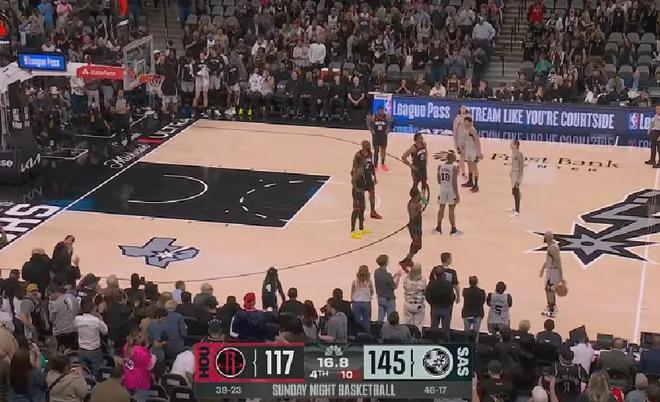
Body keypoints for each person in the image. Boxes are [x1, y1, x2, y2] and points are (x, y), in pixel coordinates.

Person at [74, 299, 107, 377]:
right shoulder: (96, 320)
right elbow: (105, 331)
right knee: (96, 372)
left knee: (84, 372)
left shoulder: (77, 319)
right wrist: (101, 319)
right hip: (94, 351)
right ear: (93, 309)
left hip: (82, 350)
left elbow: (75, 329)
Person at [433, 151, 462, 236]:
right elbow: (454, 182)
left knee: (441, 208)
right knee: (451, 209)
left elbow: (439, 180)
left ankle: (438, 227)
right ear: (452, 159)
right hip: (451, 190)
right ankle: (453, 229)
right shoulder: (454, 167)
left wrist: (444, 185)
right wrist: (457, 194)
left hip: (442, 189)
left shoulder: (440, 166)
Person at [352, 140, 382, 221]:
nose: (369, 145)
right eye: (368, 144)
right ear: (363, 146)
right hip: (361, 175)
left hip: (368, 175)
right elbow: (354, 165)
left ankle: (373, 212)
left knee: (372, 192)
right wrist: (355, 175)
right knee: (360, 194)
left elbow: (371, 165)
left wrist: (374, 176)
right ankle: (358, 212)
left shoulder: (370, 153)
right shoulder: (358, 155)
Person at [425, 265, 455, 341]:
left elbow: (427, 296)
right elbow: (452, 297)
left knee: (434, 329)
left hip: (435, 308)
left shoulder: (431, 284)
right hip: (445, 309)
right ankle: (446, 345)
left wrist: (432, 304)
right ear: (444, 274)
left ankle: (433, 344)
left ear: (435, 275)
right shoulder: (448, 284)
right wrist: (449, 304)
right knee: (446, 330)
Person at [48, 284, 80, 352]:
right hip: (74, 329)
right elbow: (78, 310)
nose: (50, 297)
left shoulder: (54, 304)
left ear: (54, 292)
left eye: (50, 294)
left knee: (62, 353)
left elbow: (51, 319)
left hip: (61, 332)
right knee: (74, 351)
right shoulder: (73, 297)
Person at [540, 231, 564, 317]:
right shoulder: (551, 246)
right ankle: (552, 307)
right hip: (551, 271)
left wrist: (561, 276)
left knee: (549, 291)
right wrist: (542, 268)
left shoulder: (552, 248)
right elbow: (548, 260)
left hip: (553, 272)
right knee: (549, 290)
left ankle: (551, 310)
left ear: (547, 238)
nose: (543, 237)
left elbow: (558, 262)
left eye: (545, 236)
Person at [400, 188, 424, 270]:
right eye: (419, 194)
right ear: (416, 195)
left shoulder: (416, 202)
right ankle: (406, 260)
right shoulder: (412, 204)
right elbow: (413, 216)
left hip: (417, 226)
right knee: (416, 244)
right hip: (414, 226)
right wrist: (418, 209)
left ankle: (409, 259)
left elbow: (425, 202)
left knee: (418, 245)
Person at [402, 131, 429, 201]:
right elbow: (404, 157)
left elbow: (426, 153)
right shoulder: (413, 148)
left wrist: (426, 161)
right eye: (420, 138)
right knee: (416, 183)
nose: (422, 139)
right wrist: (410, 165)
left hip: (423, 167)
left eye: (422, 137)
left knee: (424, 182)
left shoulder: (424, 144)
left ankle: (423, 197)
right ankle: (413, 197)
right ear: (416, 139)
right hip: (416, 168)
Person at [374, 255, 400, 322]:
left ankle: (378, 327)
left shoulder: (376, 272)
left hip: (380, 297)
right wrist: (398, 277)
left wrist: (393, 276)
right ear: (386, 263)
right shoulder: (388, 275)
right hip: (389, 299)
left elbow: (384, 280)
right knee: (390, 318)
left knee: (380, 318)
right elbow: (394, 287)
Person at [461, 116, 483, 192]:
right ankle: (470, 181)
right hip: (468, 150)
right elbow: (465, 139)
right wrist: (463, 145)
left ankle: (476, 185)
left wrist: (479, 152)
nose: (464, 123)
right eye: (464, 122)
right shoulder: (465, 129)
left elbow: (477, 141)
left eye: (466, 122)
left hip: (473, 151)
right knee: (469, 165)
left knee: (474, 166)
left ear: (469, 122)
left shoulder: (473, 130)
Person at [403, 263, 426, 330]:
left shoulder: (406, 279)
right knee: (418, 326)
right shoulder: (422, 280)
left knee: (407, 326)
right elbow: (424, 291)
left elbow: (405, 288)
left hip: (408, 304)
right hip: (418, 305)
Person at [350, 265, 373, 331]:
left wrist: (352, 299)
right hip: (366, 302)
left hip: (356, 302)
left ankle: (357, 333)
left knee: (357, 320)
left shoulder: (355, 282)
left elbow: (352, 293)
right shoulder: (369, 282)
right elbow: (371, 292)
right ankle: (366, 333)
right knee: (367, 321)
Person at [369, 106, 393, 170]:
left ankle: (382, 164)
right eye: (379, 110)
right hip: (376, 136)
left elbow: (391, 123)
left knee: (383, 150)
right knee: (376, 151)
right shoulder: (374, 117)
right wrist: (371, 130)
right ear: (377, 111)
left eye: (382, 111)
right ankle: (375, 165)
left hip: (383, 136)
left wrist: (389, 129)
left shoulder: (387, 117)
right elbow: (368, 123)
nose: (381, 112)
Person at [350, 161, 368, 239]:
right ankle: (353, 231)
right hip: (357, 192)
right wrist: (356, 190)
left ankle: (361, 228)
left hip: (361, 191)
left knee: (362, 208)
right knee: (356, 210)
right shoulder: (359, 170)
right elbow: (353, 180)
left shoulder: (362, 169)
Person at [510, 139, 525, 218]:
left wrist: (519, 179)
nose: (510, 144)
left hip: (517, 175)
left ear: (515, 145)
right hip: (513, 174)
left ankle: (517, 210)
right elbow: (513, 164)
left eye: (512, 143)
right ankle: (515, 207)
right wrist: (511, 172)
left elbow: (521, 167)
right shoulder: (513, 153)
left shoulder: (519, 154)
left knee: (516, 191)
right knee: (514, 191)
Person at [453, 106, 468, 178]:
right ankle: (463, 172)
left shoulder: (468, 117)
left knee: (463, 157)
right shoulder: (457, 118)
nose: (463, 109)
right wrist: (456, 144)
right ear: (460, 109)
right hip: (460, 140)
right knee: (462, 156)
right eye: (462, 108)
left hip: (466, 139)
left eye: (464, 108)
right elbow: (455, 131)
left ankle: (458, 169)